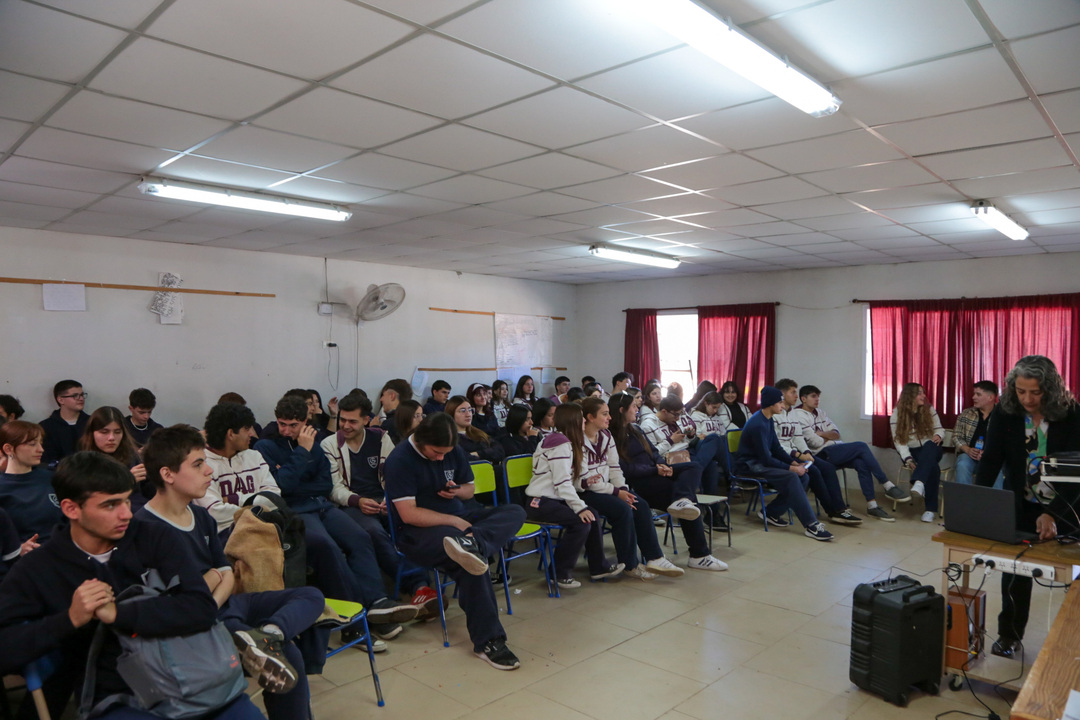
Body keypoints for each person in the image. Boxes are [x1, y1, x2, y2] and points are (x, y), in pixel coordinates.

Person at [0, 451, 265, 720]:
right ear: (71, 509)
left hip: (197, 679)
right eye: (110, 505)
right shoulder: (40, 568)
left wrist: (120, 614)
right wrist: (69, 619)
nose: (127, 514)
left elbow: (201, 608)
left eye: (127, 500)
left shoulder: (154, 537)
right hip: (121, 697)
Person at [139, 424, 324, 718]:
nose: (209, 472)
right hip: (194, 621)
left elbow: (224, 569)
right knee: (288, 655)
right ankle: (264, 642)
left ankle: (269, 634)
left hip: (224, 602)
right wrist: (210, 590)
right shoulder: (145, 529)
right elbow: (170, 600)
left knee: (312, 596)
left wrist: (212, 586)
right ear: (167, 474)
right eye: (198, 465)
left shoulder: (200, 515)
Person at [254, 394, 419, 628]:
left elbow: (324, 485)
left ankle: (378, 602)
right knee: (328, 547)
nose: (286, 430)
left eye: (294, 425)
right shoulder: (266, 446)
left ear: (305, 422)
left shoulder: (317, 441)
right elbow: (282, 487)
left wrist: (298, 480)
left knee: (360, 538)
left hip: (321, 505)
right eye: (282, 423)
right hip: (294, 512)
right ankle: (357, 617)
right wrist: (302, 452)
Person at [383, 413, 526, 670]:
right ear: (421, 439)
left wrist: (456, 490)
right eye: (436, 453)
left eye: (445, 454)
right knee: (471, 564)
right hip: (418, 531)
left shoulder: (452, 449)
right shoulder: (399, 460)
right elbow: (409, 513)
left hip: (459, 518)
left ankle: (474, 544)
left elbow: (469, 488)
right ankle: (489, 641)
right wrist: (453, 522)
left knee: (515, 511)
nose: (441, 458)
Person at [975, 356, 1080, 658]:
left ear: (1050, 388)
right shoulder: (1006, 414)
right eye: (1021, 391)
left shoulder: (1072, 416)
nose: (1028, 399)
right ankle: (1009, 635)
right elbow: (991, 460)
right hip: (1022, 503)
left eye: (1035, 392)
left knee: (1072, 576)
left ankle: (1071, 645)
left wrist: (1053, 514)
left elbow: (1077, 476)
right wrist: (979, 504)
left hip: (1068, 507)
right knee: (1015, 570)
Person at [322, 393, 439, 617]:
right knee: (373, 531)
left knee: (411, 524)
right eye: (342, 420)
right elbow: (333, 488)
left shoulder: (381, 438)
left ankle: (420, 587)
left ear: (367, 420)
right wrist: (358, 500)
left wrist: (390, 497)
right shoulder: (329, 444)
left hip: (384, 499)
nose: (345, 426)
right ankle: (415, 586)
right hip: (351, 505)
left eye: (352, 421)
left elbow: (395, 474)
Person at [609, 392, 728, 571]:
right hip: (642, 481)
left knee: (693, 466)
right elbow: (626, 469)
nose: (637, 408)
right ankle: (699, 554)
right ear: (621, 410)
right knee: (690, 503)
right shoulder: (612, 437)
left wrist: (661, 464)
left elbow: (653, 452)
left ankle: (682, 500)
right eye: (633, 406)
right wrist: (654, 469)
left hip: (656, 471)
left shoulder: (635, 429)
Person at [575, 397, 684, 580]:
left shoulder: (606, 436)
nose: (609, 417)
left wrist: (624, 489)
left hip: (607, 487)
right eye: (604, 414)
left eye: (609, 413)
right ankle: (630, 564)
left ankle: (654, 558)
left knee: (638, 503)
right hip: (584, 491)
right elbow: (584, 481)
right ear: (590, 417)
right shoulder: (578, 440)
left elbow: (615, 468)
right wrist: (618, 493)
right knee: (622, 509)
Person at [526, 403, 623, 588]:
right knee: (582, 521)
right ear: (573, 421)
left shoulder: (569, 442)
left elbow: (571, 480)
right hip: (539, 502)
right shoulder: (560, 444)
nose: (584, 421)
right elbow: (562, 483)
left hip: (555, 499)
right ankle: (558, 573)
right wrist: (580, 508)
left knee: (592, 515)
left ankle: (598, 567)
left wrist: (586, 482)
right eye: (581, 418)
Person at [792, 385, 906, 521]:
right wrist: (827, 436)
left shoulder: (820, 412)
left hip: (834, 449)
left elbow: (837, 433)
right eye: (813, 396)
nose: (817, 399)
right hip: (820, 455)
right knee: (861, 446)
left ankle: (872, 506)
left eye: (818, 396)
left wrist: (821, 434)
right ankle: (887, 484)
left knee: (861, 463)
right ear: (803, 399)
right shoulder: (798, 415)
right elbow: (814, 443)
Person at [734, 387, 833, 541]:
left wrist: (793, 461)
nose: (782, 405)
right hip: (750, 465)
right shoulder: (758, 424)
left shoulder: (768, 419)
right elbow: (766, 458)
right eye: (780, 402)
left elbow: (776, 448)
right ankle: (811, 525)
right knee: (793, 476)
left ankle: (771, 513)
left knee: (804, 477)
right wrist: (792, 468)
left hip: (761, 462)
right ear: (770, 404)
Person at [774, 379, 862, 525]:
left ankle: (839, 509)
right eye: (793, 392)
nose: (796, 395)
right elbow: (777, 444)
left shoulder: (793, 414)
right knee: (814, 471)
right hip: (785, 456)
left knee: (827, 467)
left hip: (798, 454)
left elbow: (797, 437)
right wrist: (798, 455)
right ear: (782, 394)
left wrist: (806, 452)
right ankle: (832, 511)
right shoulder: (775, 414)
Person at [640, 394, 723, 495]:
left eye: (680, 414)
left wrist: (689, 435)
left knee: (714, 438)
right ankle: (697, 470)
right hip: (672, 457)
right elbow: (651, 453)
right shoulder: (648, 425)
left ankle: (697, 469)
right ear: (664, 411)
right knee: (711, 466)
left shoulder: (671, 419)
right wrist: (670, 441)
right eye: (676, 415)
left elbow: (682, 441)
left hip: (687, 451)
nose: (678, 418)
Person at [0, 420, 63, 542]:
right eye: (32, 444)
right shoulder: (2, 487)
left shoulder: (52, 478)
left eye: (41, 443)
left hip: (60, 549)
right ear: (9, 449)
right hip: (21, 556)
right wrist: (18, 549)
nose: (41, 449)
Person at [890, 383, 945, 523]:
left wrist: (939, 435)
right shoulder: (897, 413)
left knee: (929, 446)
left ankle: (919, 482)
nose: (924, 396)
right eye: (920, 393)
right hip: (912, 451)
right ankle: (930, 510)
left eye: (923, 392)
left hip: (932, 447)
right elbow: (899, 441)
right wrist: (908, 459)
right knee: (932, 467)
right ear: (910, 396)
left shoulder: (929, 409)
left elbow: (939, 429)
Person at [79, 406, 149, 507]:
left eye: (117, 432)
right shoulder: (82, 462)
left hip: (138, 507)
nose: (111, 438)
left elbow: (148, 489)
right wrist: (125, 480)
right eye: (104, 432)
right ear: (92, 433)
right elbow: (89, 497)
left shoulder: (132, 456)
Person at [954, 380, 1004, 488]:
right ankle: (964, 503)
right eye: (974, 394)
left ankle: (995, 504)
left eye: (978, 394)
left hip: (992, 458)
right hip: (968, 456)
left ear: (990, 397)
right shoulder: (966, 413)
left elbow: (1007, 442)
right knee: (963, 464)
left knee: (997, 469)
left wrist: (990, 453)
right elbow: (956, 436)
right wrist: (967, 449)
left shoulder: (1002, 416)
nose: (973, 397)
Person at [39, 379, 90, 466]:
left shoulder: (91, 422)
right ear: (61, 400)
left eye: (82, 395)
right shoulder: (46, 426)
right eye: (75, 396)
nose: (81, 399)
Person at [445, 395, 506, 466]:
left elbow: (500, 450)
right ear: (451, 414)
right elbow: (464, 458)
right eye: (463, 411)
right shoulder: (450, 439)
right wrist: (488, 455)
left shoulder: (478, 432)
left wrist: (478, 453)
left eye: (470, 410)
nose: (468, 414)